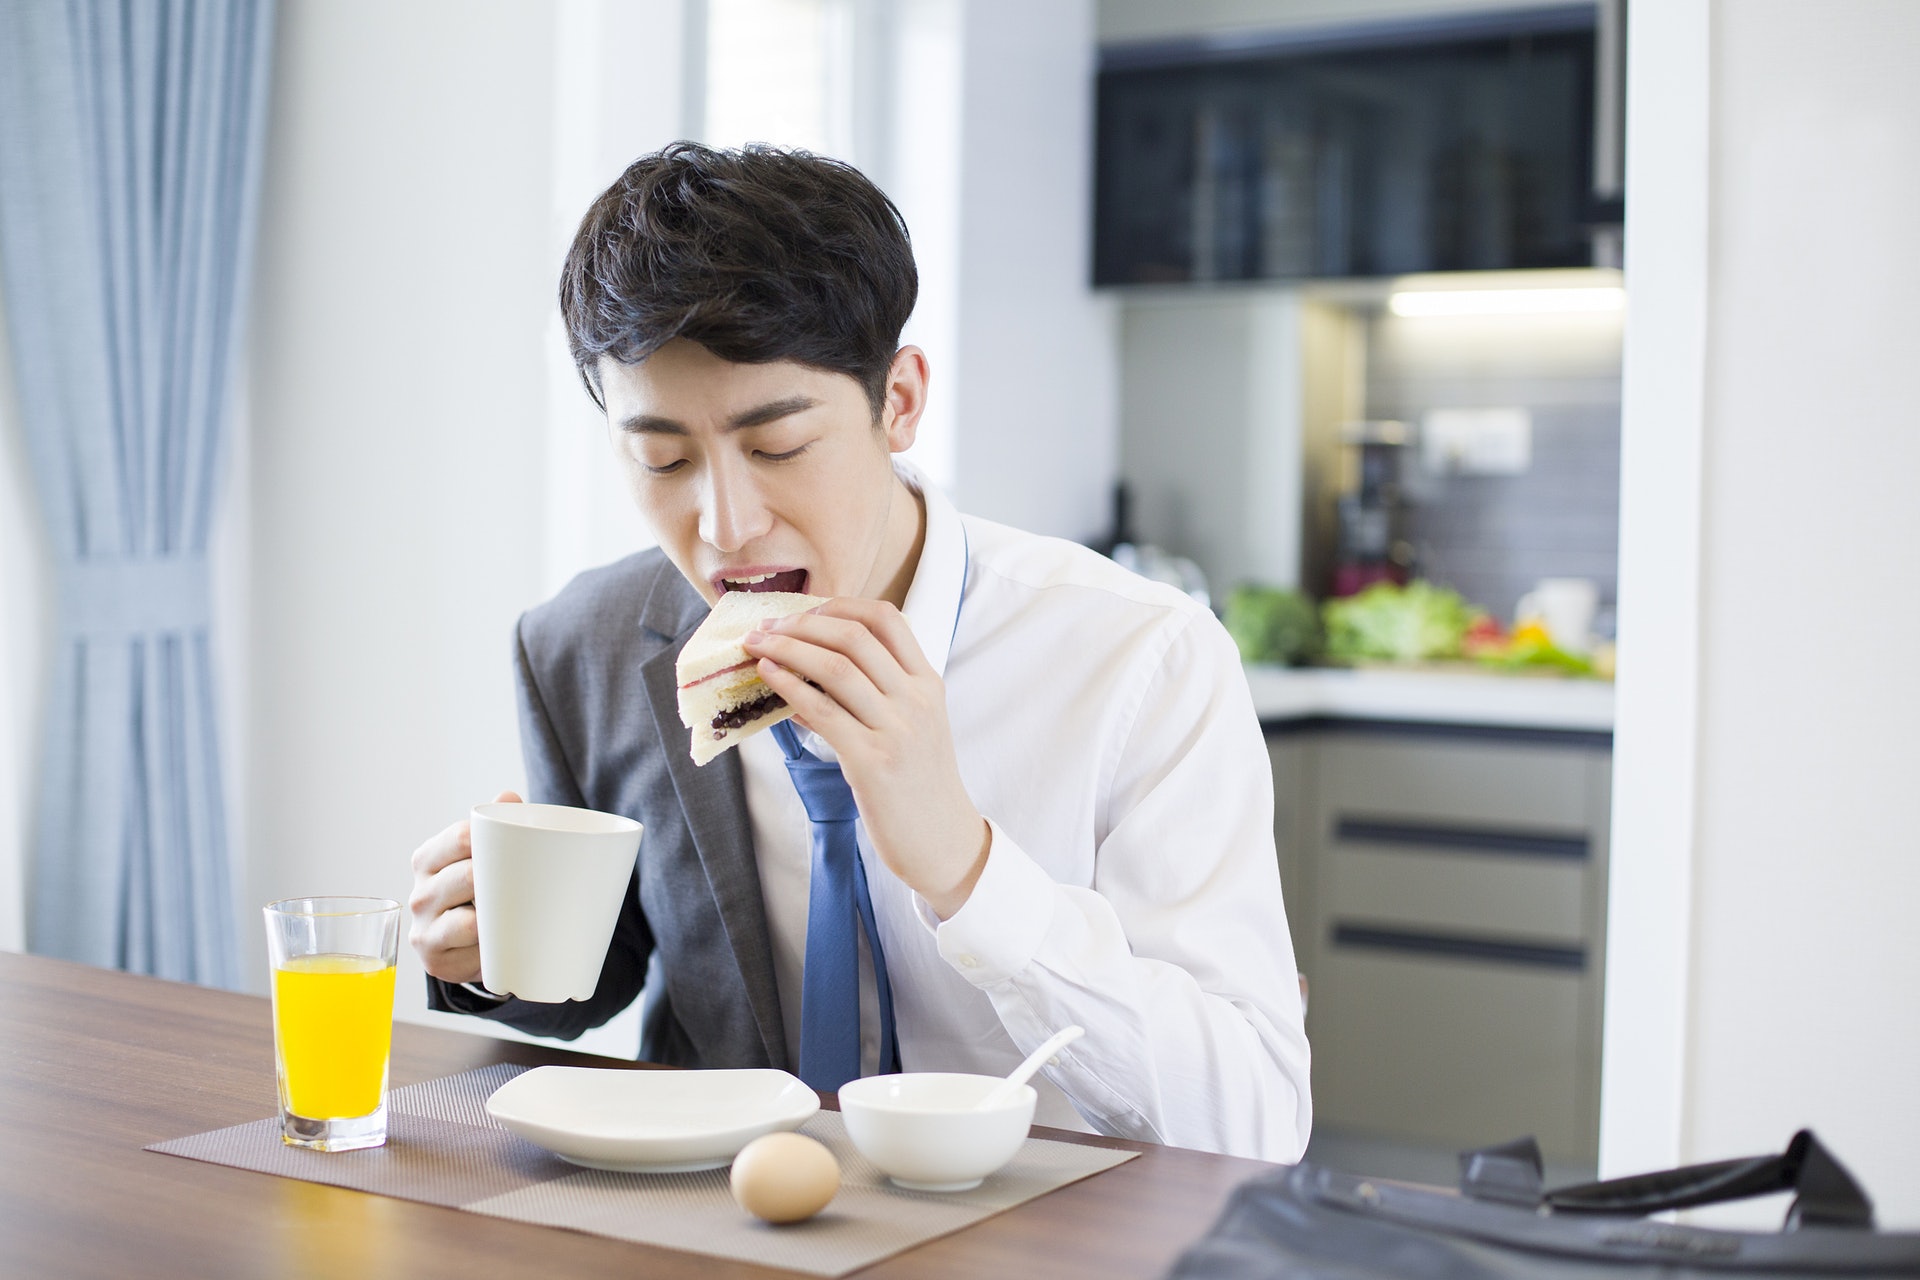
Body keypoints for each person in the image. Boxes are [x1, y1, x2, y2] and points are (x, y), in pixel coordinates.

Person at [408, 142, 1311, 1161]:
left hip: (1050, 1226)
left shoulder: (1140, 658)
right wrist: (492, 950)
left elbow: (1256, 1118)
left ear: (900, 401)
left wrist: (966, 868)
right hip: (723, 1221)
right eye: (662, 458)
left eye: (779, 446)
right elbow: (606, 973)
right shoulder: (588, 644)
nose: (725, 525)